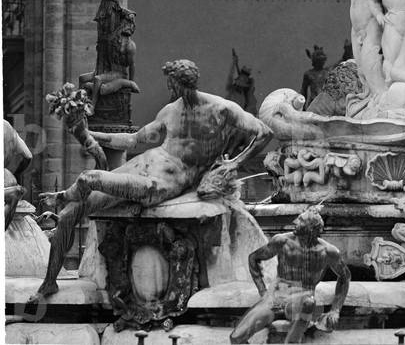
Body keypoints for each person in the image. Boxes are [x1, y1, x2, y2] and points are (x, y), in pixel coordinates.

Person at [32, 59, 272, 300]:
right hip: (141, 166)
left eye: (171, 84)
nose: (170, 89)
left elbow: (264, 132)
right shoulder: (170, 111)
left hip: (161, 183)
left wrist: (235, 163)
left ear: (180, 83)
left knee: (88, 179)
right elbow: (133, 140)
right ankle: (49, 284)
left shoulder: (221, 109)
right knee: (69, 214)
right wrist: (86, 133)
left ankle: (62, 196)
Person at [229, 209, 349, 344]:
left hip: (300, 300)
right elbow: (253, 258)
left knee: (309, 302)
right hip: (275, 298)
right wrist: (263, 291)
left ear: (311, 228)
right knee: (236, 338)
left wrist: (335, 310)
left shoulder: (328, 251)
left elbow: (344, 277)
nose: (295, 222)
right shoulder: (282, 241)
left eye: (301, 220)